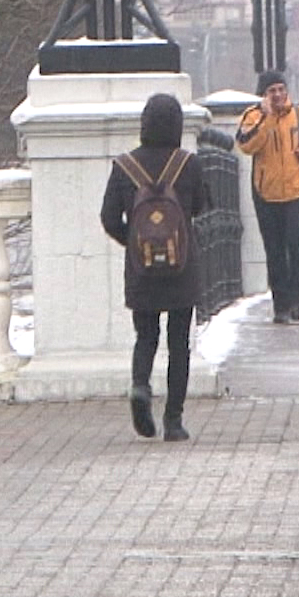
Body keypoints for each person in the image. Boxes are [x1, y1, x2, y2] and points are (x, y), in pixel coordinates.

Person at [101, 94, 206, 443]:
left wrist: (134, 244)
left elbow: (108, 218)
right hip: (182, 269)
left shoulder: (124, 167)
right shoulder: (187, 165)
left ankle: (140, 387)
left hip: (141, 270)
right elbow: (203, 206)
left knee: (145, 337)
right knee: (179, 344)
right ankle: (174, 421)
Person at [237, 69, 299, 323]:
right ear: (263, 95)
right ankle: (281, 305)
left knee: (296, 244)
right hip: (267, 192)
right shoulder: (253, 117)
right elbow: (247, 145)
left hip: (298, 190)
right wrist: (265, 118)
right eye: (271, 91)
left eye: (280, 89)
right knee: (274, 249)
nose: (277, 95)